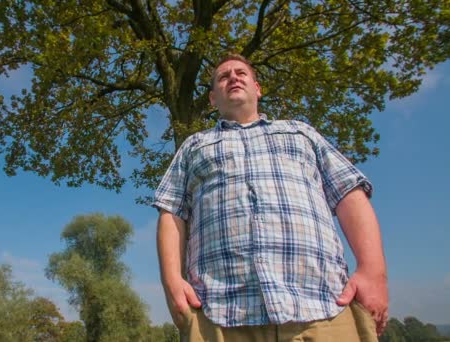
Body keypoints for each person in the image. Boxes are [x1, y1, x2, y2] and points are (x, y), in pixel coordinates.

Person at [153, 54, 388, 341]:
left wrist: (373, 271)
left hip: (325, 305)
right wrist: (171, 281)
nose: (233, 78)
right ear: (213, 99)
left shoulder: (300, 133)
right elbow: (171, 212)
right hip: (219, 312)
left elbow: (348, 193)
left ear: (258, 88)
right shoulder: (193, 146)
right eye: (223, 77)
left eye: (241, 73)